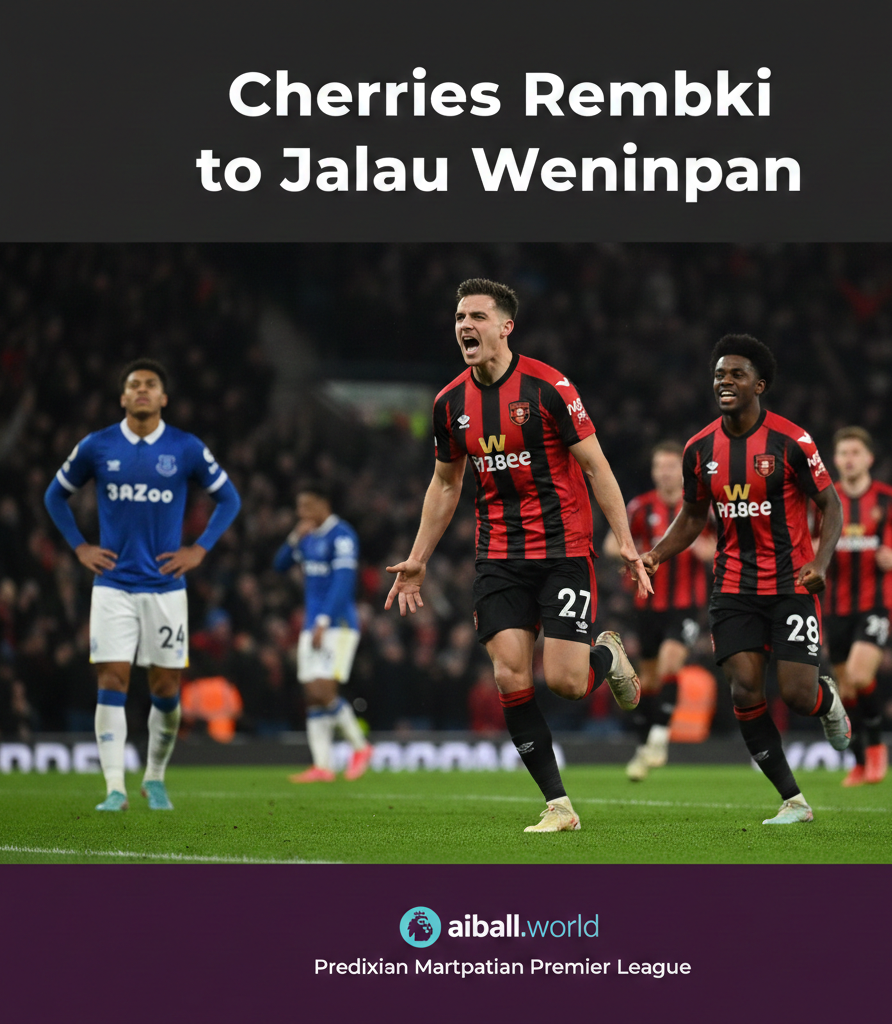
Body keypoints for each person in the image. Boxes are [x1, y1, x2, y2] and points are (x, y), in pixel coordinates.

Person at [385, 278, 653, 832]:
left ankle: (608, 657)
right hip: (499, 554)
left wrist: (624, 541)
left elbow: (597, 466)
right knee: (509, 676)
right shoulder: (449, 403)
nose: (465, 326)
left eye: (477, 317)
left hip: (563, 549)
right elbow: (444, 485)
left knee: (566, 683)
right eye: (460, 317)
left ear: (506, 327)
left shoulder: (549, 387)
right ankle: (559, 805)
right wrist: (419, 557)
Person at [642, 334, 849, 825]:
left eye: (735, 374)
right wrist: (656, 555)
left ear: (760, 383)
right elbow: (693, 518)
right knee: (745, 689)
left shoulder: (791, 442)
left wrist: (819, 563)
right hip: (733, 588)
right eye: (719, 374)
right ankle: (792, 801)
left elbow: (831, 506)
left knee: (798, 695)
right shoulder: (699, 449)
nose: (725, 382)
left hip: (791, 585)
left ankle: (828, 701)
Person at [44, 358, 241, 811]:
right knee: (111, 678)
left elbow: (229, 498)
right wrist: (78, 547)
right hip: (113, 584)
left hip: (166, 588)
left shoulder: (185, 447)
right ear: (123, 397)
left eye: (150, 385)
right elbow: (54, 494)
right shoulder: (98, 445)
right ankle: (114, 787)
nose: (142, 391)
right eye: (134, 385)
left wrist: (200, 549)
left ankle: (154, 776)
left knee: (167, 689)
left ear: (163, 397)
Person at [604, 441, 715, 780]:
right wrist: (633, 554)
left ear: (682, 472)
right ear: (653, 472)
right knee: (648, 679)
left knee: (671, 663)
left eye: (671, 467)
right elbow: (611, 544)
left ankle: (659, 738)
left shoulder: (700, 509)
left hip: (686, 604)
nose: (665, 473)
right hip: (646, 603)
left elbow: (717, 549)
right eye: (660, 467)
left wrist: (695, 544)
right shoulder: (641, 507)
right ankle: (643, 746)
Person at [824, 427, 892, 786]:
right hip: (834, 607)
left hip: (876, 604)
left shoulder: (890, 499)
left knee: (859, 675)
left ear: (869, 458)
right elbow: (805, 539)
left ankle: (877, 748)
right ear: (835, 460)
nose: (849, 459)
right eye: (842, 453)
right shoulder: (824, 499)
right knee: (846, 688)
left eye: (855, 452)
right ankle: (857, 762)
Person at [273, 482, 371, 782]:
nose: (300, 512)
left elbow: (343, 583)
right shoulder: (307, 538)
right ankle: (323, 766)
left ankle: (360, 746)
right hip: (311, 624)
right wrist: (293, 537)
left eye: (305, 506)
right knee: (312, 696)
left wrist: (324, 620)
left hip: (336, 624)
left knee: (323, 690)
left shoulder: (342, 536)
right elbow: (279, 565)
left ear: (322, 504)